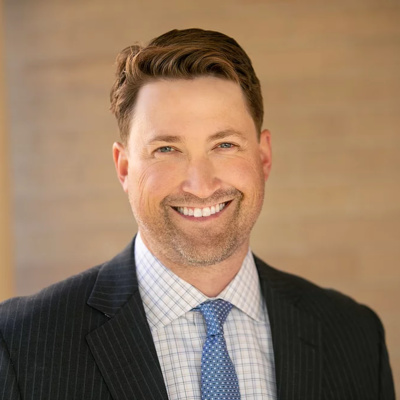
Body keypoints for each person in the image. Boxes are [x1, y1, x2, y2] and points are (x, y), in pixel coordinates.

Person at [0, 28, 395, 400]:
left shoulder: (355, 336)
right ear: (124, 168)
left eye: (224, 145)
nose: (201, 185)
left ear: (263, 157)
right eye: (166, 149)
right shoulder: (21, 342)